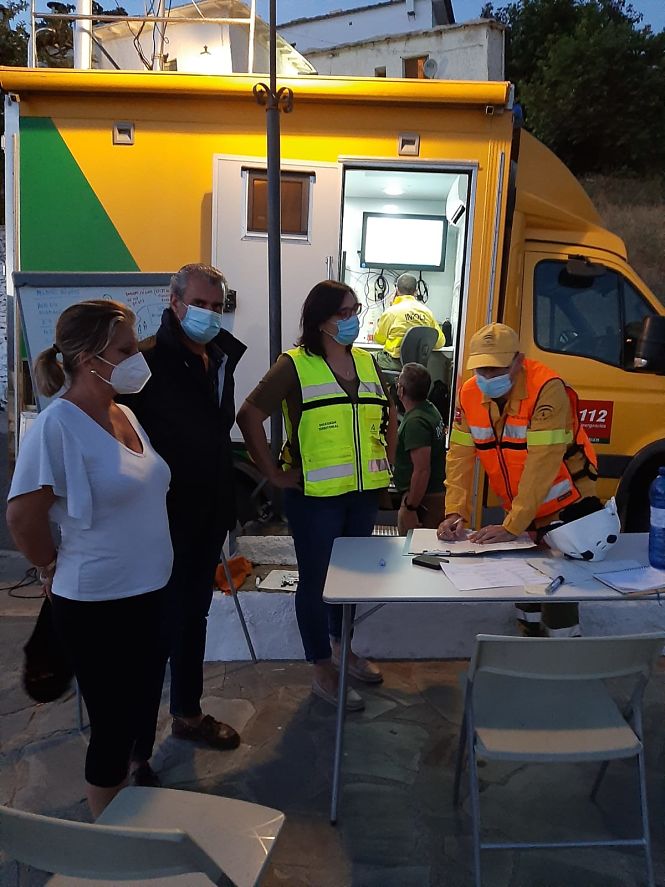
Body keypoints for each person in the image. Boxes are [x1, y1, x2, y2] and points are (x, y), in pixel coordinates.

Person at [7, 301, 173, 816]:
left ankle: (130, 801)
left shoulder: (124, 413)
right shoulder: (58, 426)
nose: (136, 358)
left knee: (142, 709)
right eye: (124, 350)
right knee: (113, 724)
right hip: (99, 601)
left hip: (150, 591)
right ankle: (108, 845)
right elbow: (22, 516)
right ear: (86, 357)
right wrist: (49, 564)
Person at [238, 281, 397, 711]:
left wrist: (388, 463)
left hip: (362, 496)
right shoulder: (294, 365)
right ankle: (321, 666)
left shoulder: (366, 362)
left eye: (355, 310)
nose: (353, 319)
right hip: (315, 499)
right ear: (321, 319)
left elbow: (389, 413)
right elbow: (249, 415)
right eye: (344, 312)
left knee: (351, 581)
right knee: (315, 582)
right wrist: (272, 472)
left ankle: (344, 648)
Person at [120, 263, 246, 777]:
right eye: (200, 304)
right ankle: (134, 750)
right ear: (175, 303)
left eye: (217, 306)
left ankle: (188, 714)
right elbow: (116, 434)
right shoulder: (144, 363)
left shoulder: (219, 360)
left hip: (206, 514)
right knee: (152, 634)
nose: (209, 314)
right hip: (158, 522)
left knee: (194, 620)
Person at [438, 323, 598, 637]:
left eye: (496, 369)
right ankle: (529, 637)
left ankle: (563, 655)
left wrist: (512, 526)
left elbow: (543, 463)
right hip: (519, 506)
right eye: (480, 368)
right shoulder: (469, 393)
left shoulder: (546, 388)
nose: (487, 376)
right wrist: (456, 511)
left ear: (518, 361)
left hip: (563, 504)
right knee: (526, 584)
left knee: (559, 586)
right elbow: (459, 458)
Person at [393, 363, 446, 535]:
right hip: (432, 495)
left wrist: (410, 507)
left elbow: (422, 470)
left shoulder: (416, 423)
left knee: (413, 552)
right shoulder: (430, 410)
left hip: (423, 500)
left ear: (401, 390)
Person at [374, 273, 445, 372]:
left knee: (369, 358)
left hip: (395, 364)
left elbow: (379, 339)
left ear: (397, 290)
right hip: (418, 367)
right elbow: (440, 343)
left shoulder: (391, 312)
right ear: (416, 292)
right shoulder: (427, 312)